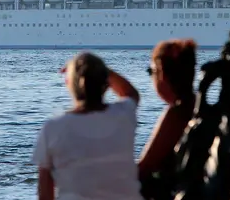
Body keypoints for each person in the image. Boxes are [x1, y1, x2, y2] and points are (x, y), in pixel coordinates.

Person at [32, 52, 143, 200]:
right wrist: (102, 70)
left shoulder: (53, 128)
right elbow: (129, 92)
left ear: (68, 83)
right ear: (105, 84)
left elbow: (45, 192)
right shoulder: (122, 115)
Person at [137, 39, 198, 200]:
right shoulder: (198, 106)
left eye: (152, 72)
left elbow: (144, 168)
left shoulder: (177, 114)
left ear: (161, 73)